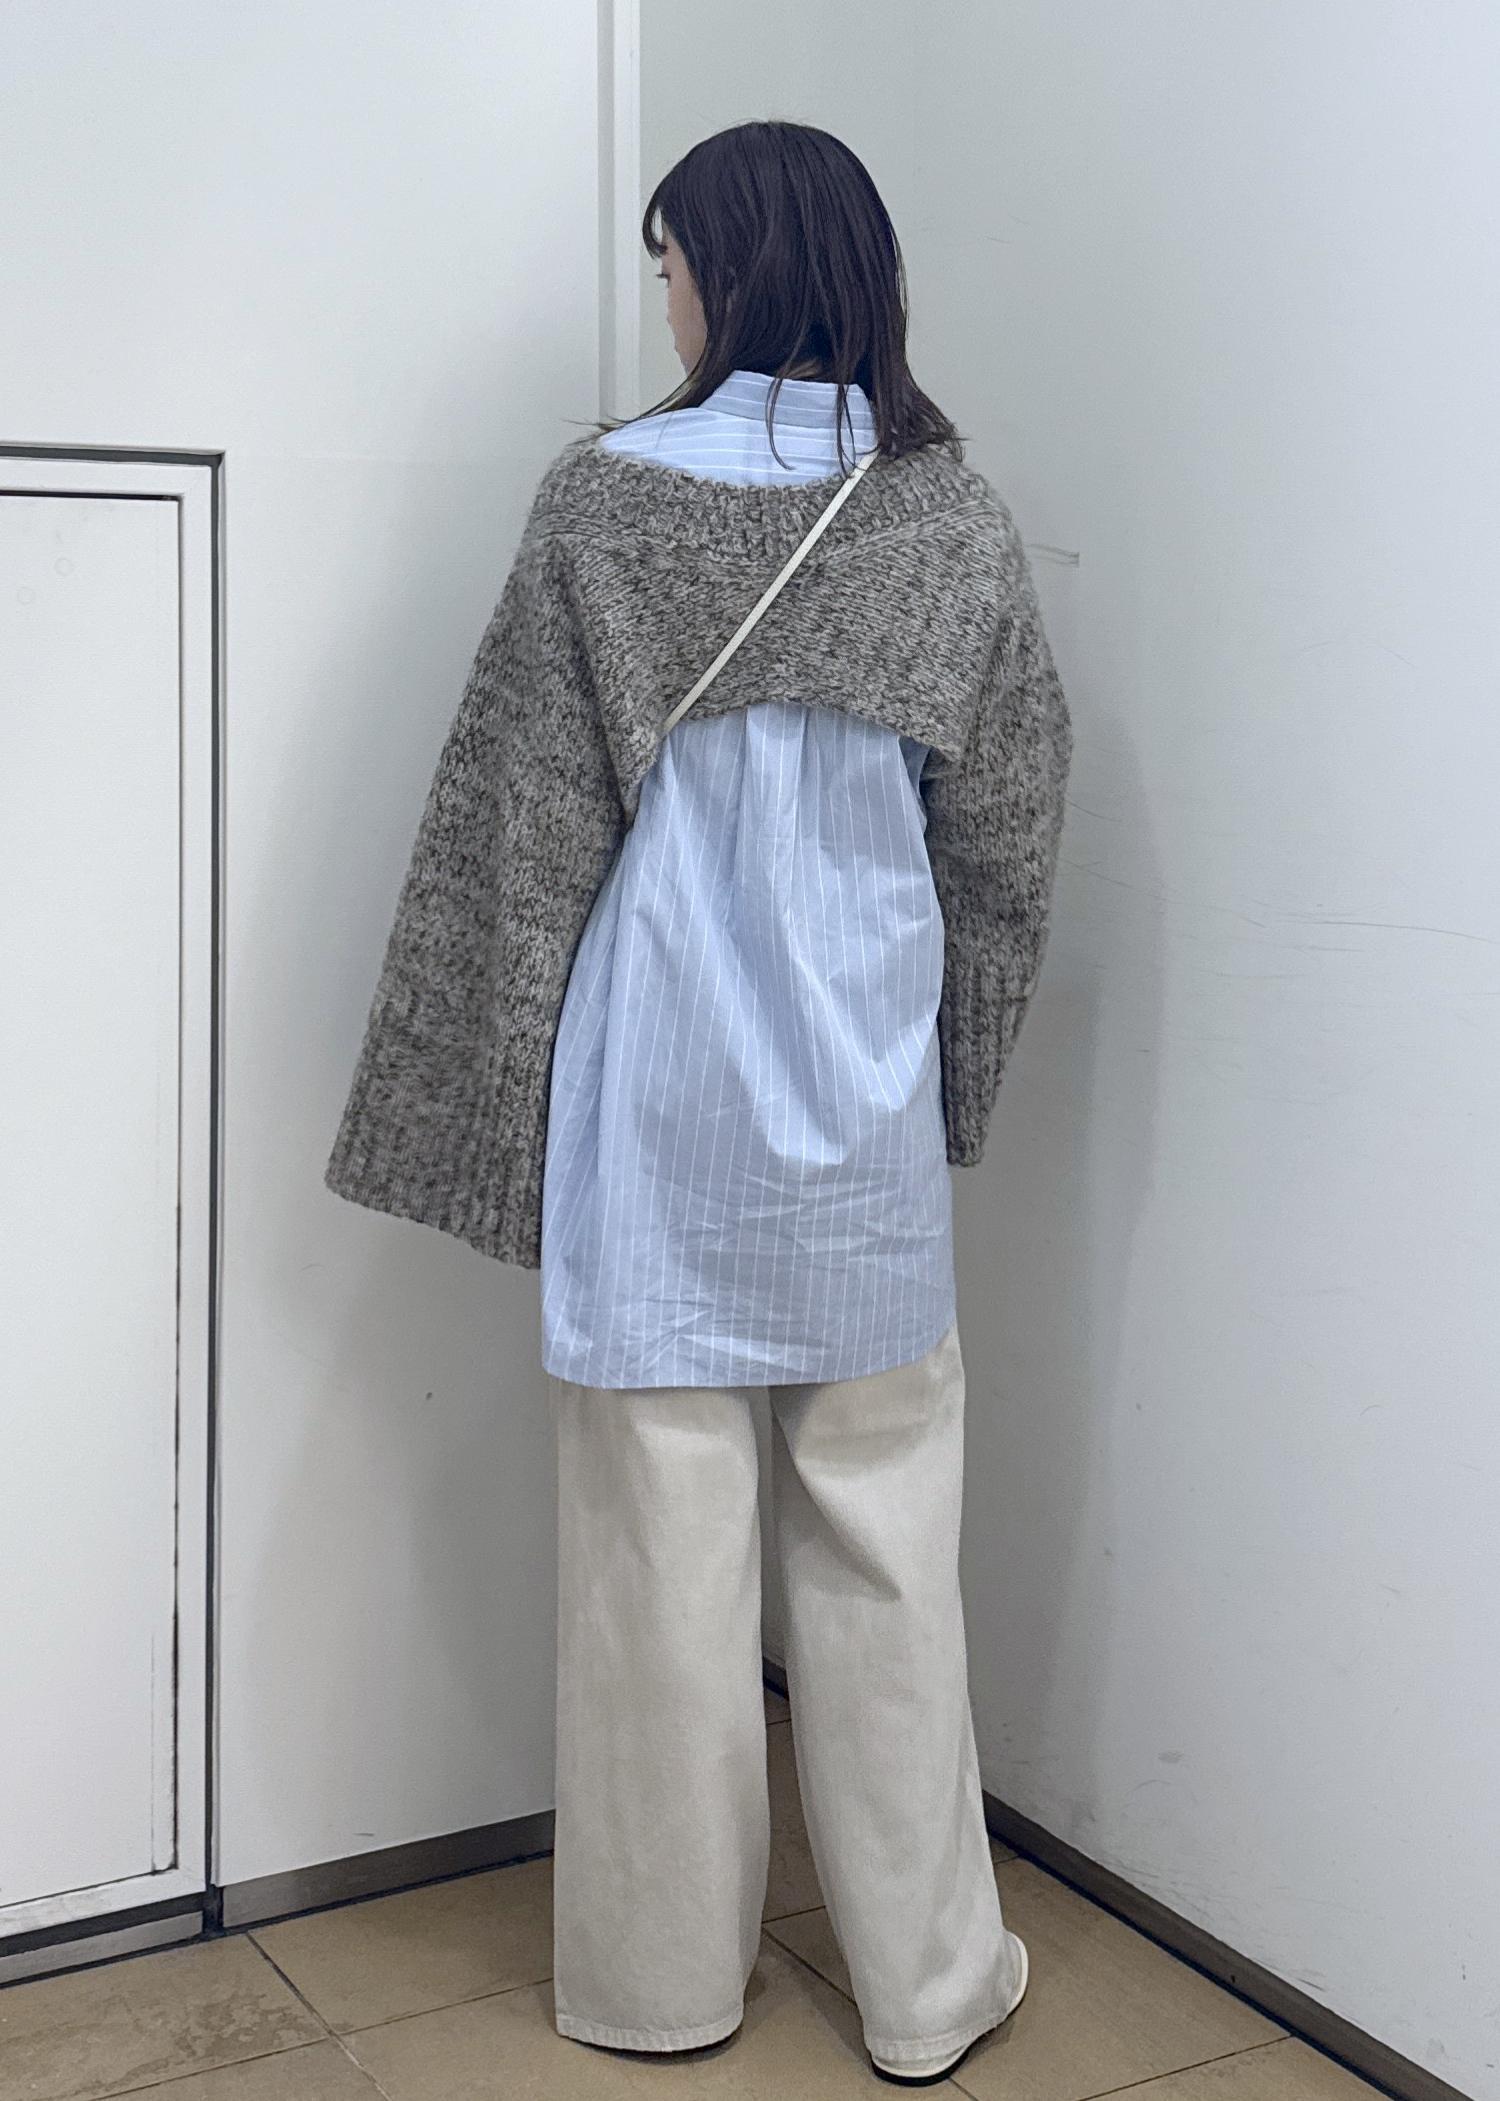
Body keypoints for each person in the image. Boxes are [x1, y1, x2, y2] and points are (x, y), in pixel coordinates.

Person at [325, 118, 1071, 2086]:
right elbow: (1007, 840)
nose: (659, 299)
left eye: (666, 263)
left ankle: (658, 1992)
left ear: (723, 270)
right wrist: (953, 1088)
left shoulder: (602, 502)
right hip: (862, 1117)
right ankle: (929, 1990)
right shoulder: (951, 517)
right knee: (892, 1565)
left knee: (654, 1578)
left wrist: (489, 1124)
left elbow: (519, 838)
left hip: (656, 1112)